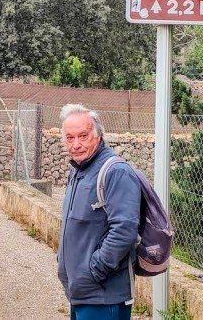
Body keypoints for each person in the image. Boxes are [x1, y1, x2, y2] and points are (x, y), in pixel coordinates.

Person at [57, 104, 141, 320]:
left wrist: (94, 270)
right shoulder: (79, 170)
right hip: (82, 293)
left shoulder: (115, 172)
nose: (76, 144)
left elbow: (124, 230)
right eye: (70, 138)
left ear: (98, 135)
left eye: (83, 136)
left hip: (104, 297)